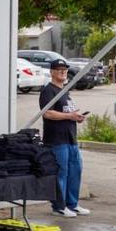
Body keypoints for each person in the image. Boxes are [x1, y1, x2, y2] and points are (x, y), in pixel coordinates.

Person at [39, 59, 90, 218]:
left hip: (70, 138)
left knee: (76, 170)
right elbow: (47, 113)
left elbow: (68, 112)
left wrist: (77, 117)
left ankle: (72, 204)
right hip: (56, 140)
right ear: (52, 72)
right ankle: (58, 207)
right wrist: (70, 115)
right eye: (59, 69)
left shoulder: (65, 91)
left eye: (65, 69)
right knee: (61, 172)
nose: (62, 72)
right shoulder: (48, 91)